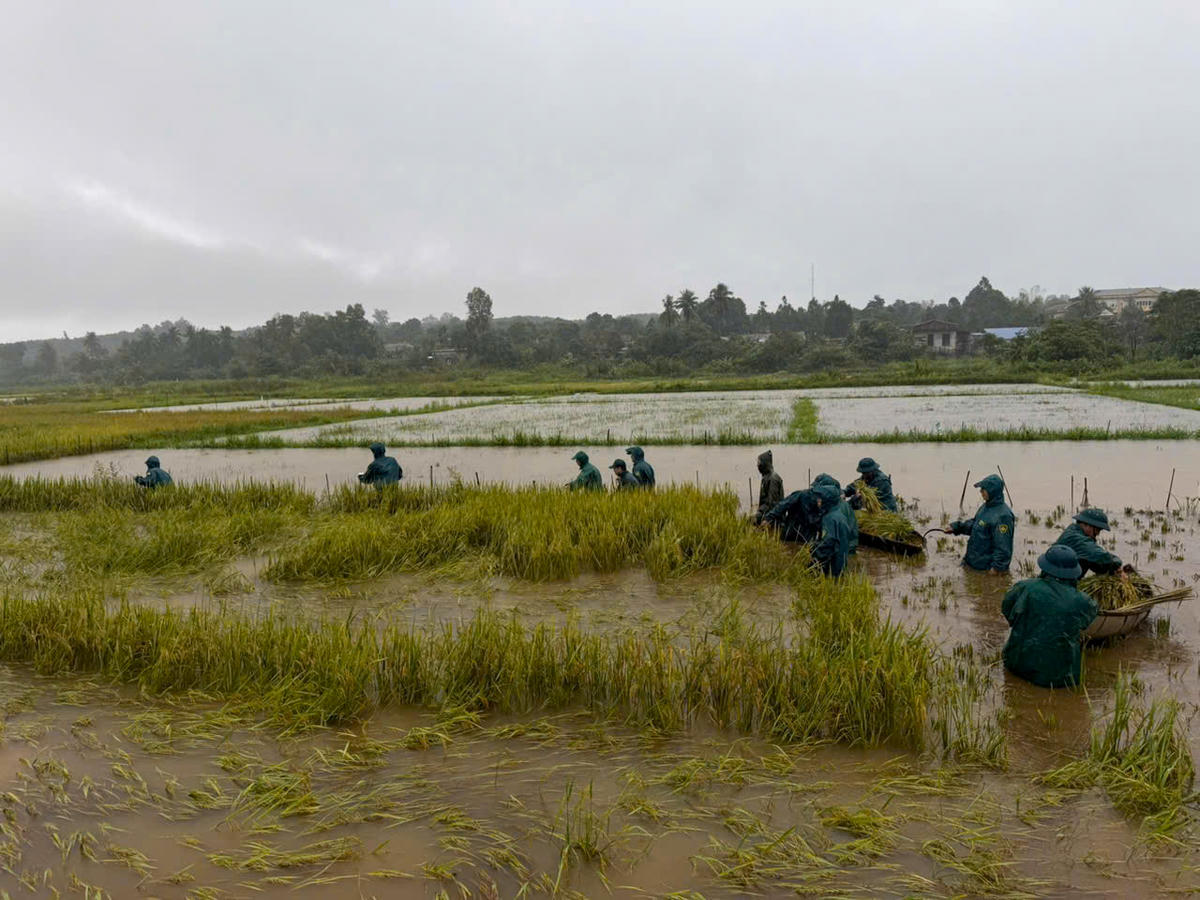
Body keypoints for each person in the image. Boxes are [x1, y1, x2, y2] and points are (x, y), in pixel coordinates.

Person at [1001, 545, 1098, 688]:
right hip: (1057, 677)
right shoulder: (1084, 601)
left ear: (1045, 567)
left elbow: (1007, 608)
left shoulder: (1024, 587)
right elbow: (1085, 622)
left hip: (1016, 665)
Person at [949, 474, 1014, 574]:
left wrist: (996, 569)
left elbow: (1003, 547)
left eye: (983, 489)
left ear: (992, 491)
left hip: (984, 569)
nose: (980, 491)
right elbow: (976, 525)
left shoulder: (1003, 516)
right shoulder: (986, 506)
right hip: (972, 563)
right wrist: (956, 528)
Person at [1053, 508, 1127, 578]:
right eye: (1097, 530)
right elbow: (1101, 555)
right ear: (1087, 525)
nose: (1097, 534)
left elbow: (1096, 558)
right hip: (1057, 582)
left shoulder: (1073, 530)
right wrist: (1117, 563)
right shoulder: (1077, 538)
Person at [811, 482, 850, 576]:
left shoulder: (829, 519)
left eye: (821, 499)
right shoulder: (838, 515)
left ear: (827, 501)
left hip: (833, 565)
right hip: (841, 561)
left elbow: (827, 543)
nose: (818, 501)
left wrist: (812, 555)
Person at [813, 473, 857, 555]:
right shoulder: (837, 504)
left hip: (845, 545)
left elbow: (830, 539)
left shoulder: (833, 514)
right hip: (849, 542)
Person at [754, 450, 784, 524]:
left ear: (764, 463)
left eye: (759, 463)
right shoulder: (766, 477)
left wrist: (766, 519)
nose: (757, 465)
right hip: (766, 512)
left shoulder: (773, 479)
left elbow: (773, 503)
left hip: (773, 517)